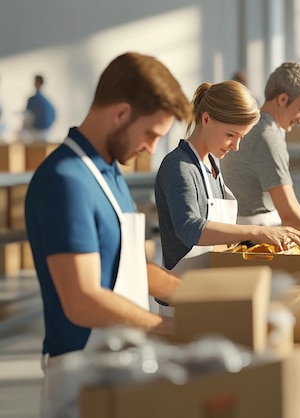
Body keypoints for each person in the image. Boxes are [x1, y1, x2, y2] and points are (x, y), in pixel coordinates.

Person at [24, 52, 193, 418]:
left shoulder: (109, 173)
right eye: (150, 133)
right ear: (120, 113)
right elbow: (82, 299)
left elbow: (128, 266)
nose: (151, 147)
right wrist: (169, 330)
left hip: (119, 362)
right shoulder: (64, 181)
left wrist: (204, 300)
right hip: (82, 378)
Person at [154, 80, 300, 277]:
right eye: (230, 135)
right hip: (182, 295)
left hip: (212, 286)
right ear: (206, 119)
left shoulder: (211, 165)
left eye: (240, 138)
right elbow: (188, 227)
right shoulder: (178, 166)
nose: (235, 146)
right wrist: (256, 231)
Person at [220, 62, 300, 227]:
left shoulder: (256, 126)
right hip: (256, 238)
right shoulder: (266, 135)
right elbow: (288, 212)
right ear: (282, 99)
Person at [23, 74, 56, 142]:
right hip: (45, 131)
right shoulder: (46, 100)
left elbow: (27, 117)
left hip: (37, 132)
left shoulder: (33, 100)